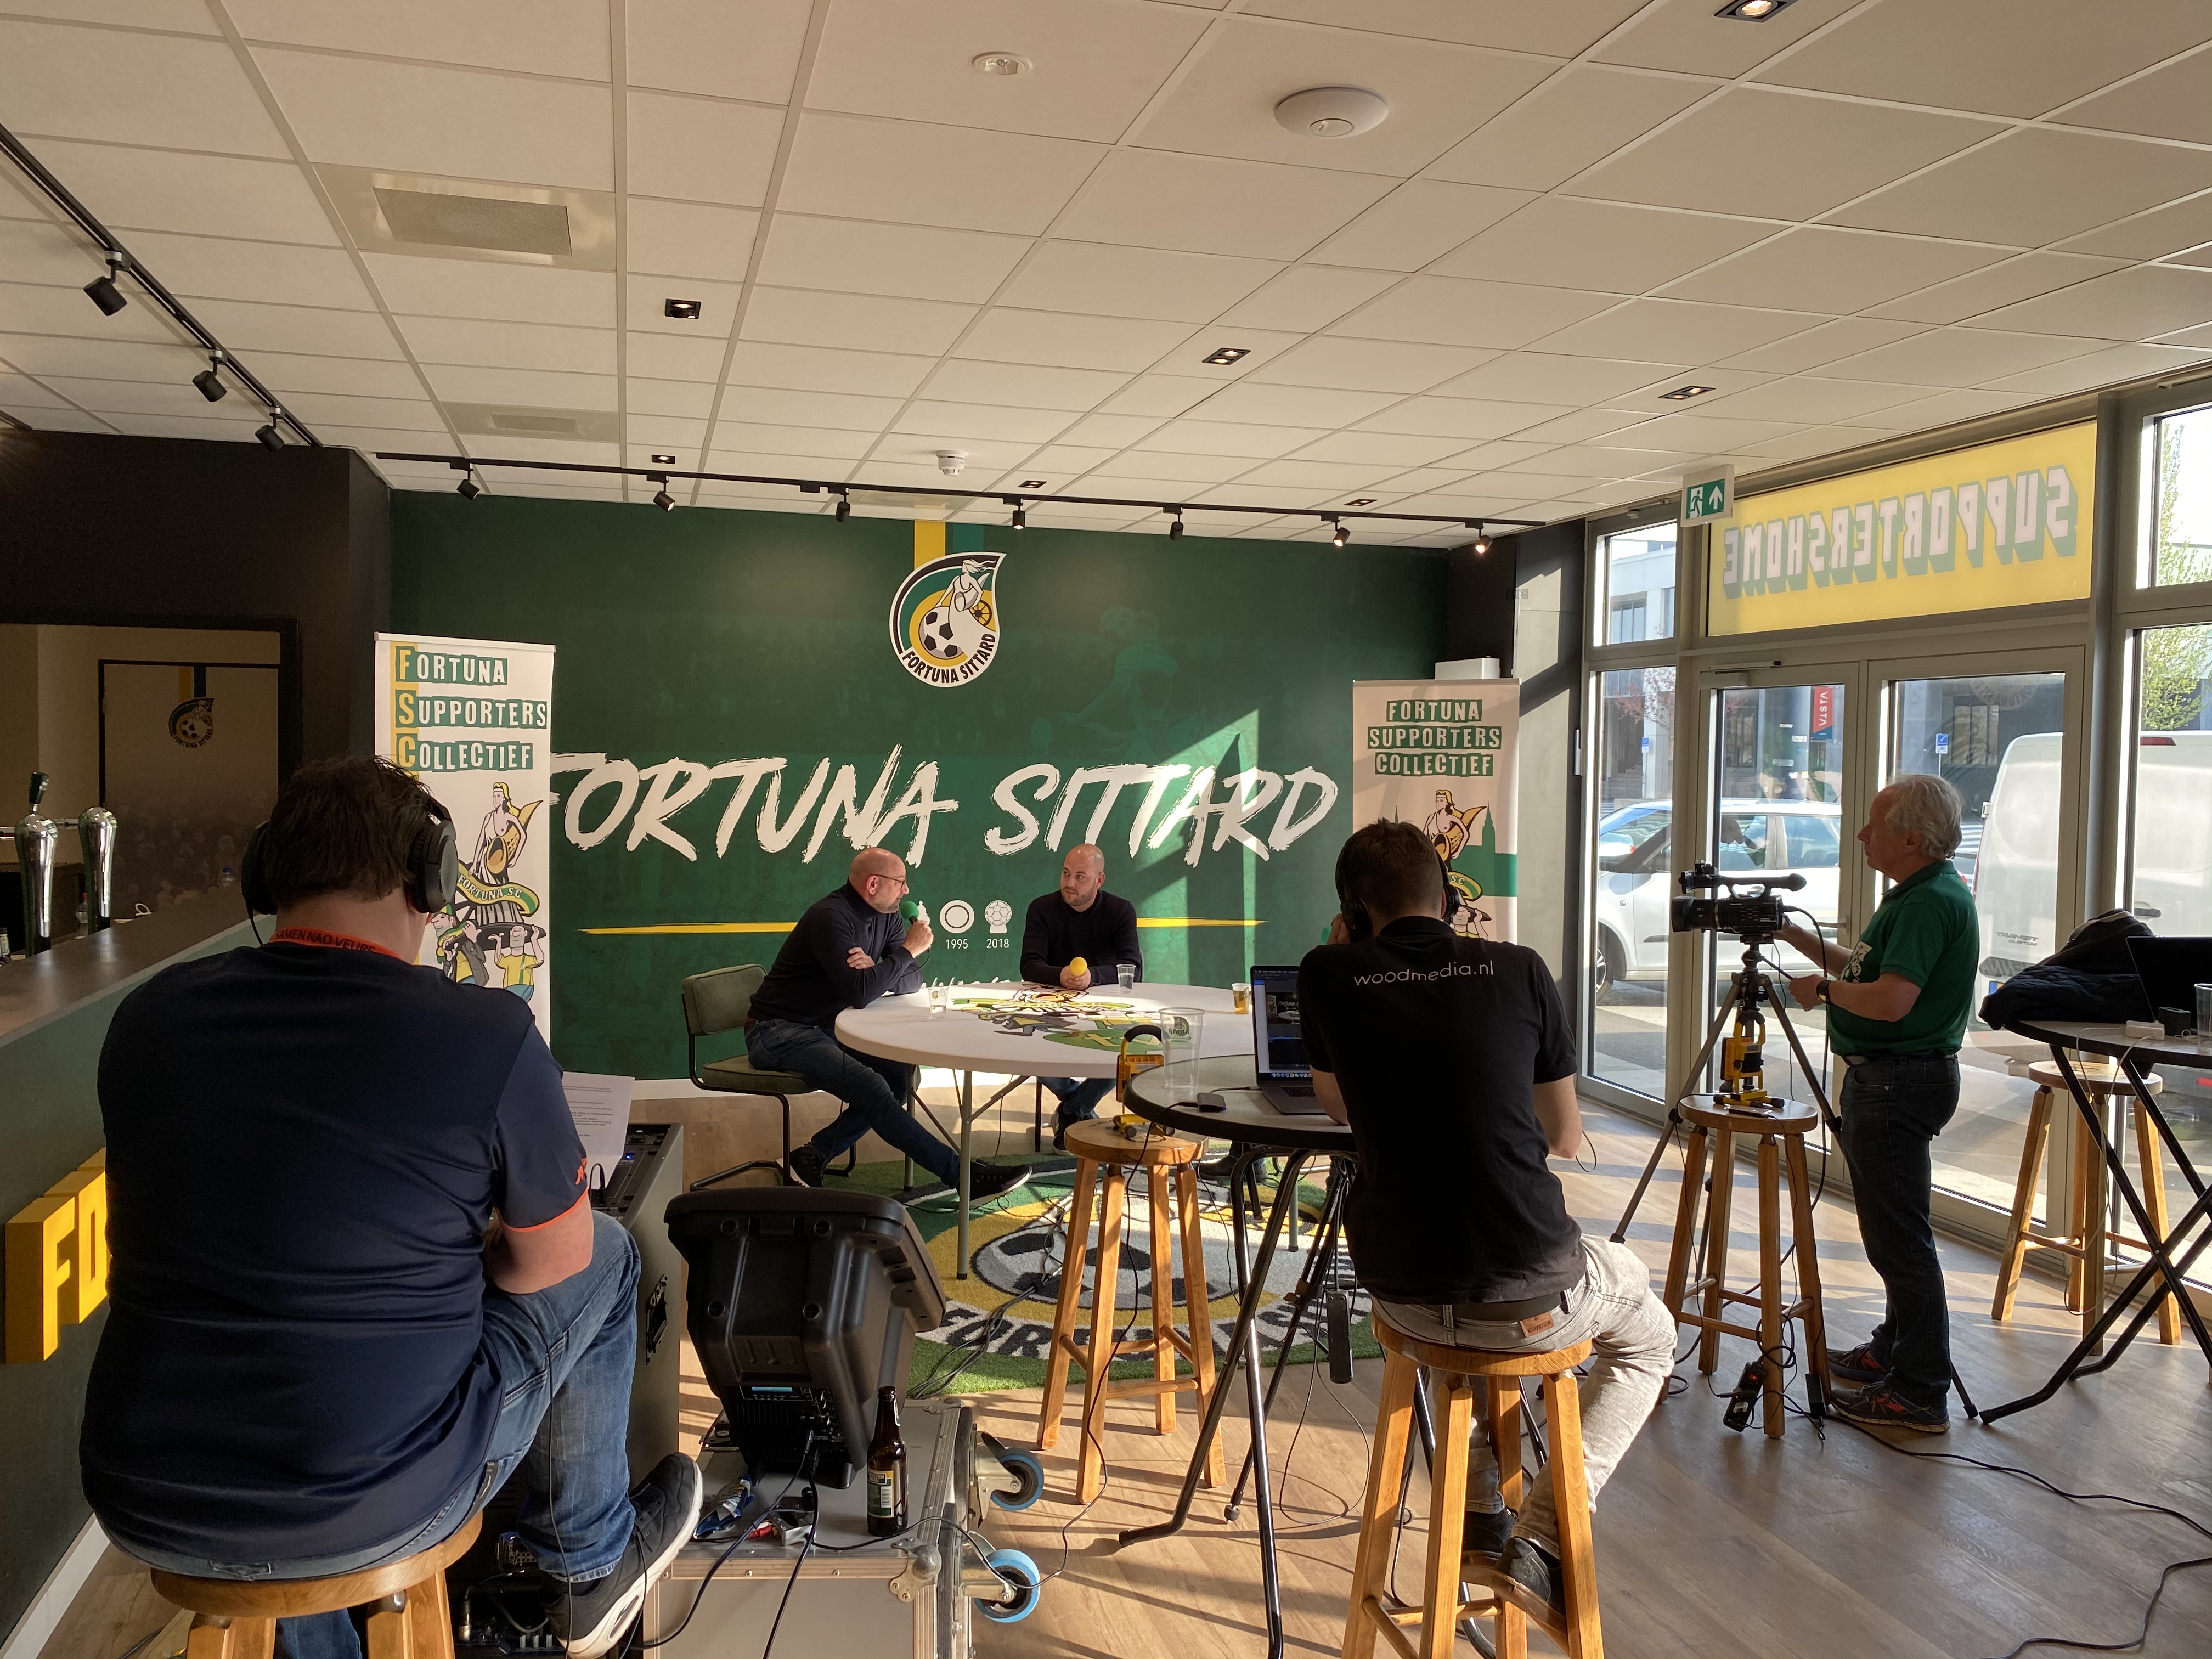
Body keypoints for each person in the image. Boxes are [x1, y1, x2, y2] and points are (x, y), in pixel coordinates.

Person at [82, 756, 700, 1659]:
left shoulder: (148, 1018)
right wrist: (459, 1257)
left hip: (146, 1493)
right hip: (382, 1498)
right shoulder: (486, 1033)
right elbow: (553, 1261)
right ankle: (587, 1562)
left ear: (267, 874)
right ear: (431, 878)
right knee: (604, 1253)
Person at [1299, 820, 1673, 1617]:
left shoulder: (1328, 971)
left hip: (1400, 1294)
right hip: (1527, 1292)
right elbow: (1564, 1136)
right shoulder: (1521, 968)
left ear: (1355, 913)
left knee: (1457, 1316)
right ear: (1447, 900)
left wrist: (1346, 956)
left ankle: (1477, 1516)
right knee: (1648, 1332)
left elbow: (1337, 1106)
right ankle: (1542, 1539)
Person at [1784, 773, 1978, 1434]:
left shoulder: (1926, 903)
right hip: (1897, 1079)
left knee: (1900, 1241)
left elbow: (1892, 1001)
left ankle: (1919, 1390)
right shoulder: (1921, 894)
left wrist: (1822, 992)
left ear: (1912, 839)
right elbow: (1868, 972)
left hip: (1898, 1082)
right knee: (1894, 1233)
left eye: (1875, 826)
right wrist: (1794, 936)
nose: (1863, 835)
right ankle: (1893, 1351)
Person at [749, 846, 1031, 1198]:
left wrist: (880, 968)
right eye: (900, 882)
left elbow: (912, 980)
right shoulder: (830, 917)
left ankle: (812, 1155)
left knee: (900, 1077)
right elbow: (860, 993)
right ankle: (962, 1176)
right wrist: (905, 953)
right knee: (871, 1087)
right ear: (873, 884)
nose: (906, 890)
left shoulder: (888, 915)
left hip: (828, 1030)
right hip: (778, 1031)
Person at [1020, 843, 1142, 1149]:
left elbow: (1133, 968)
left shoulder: (1120, 911)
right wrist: (1061, 975)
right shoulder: (1041, 908)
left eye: (1080, 877)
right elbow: (1029, 965)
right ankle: (1078, 1106)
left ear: (1099, 880)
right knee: (1026, 1048)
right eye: (1065, 874)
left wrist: (1093, 977)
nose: (1069, 883)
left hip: (1107, 1011)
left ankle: (1072, 1111)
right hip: (1050, 1011)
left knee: (1131, 1050)